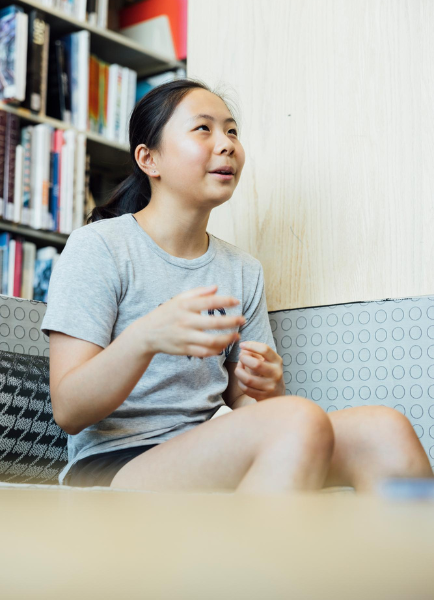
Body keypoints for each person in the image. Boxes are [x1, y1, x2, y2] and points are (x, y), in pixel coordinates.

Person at [41, 78, 433, 494]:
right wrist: (146, 337)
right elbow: (69, 408)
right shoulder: (99, 247)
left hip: (203, 449)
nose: (226, 143)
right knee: (297, 418)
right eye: (203, 128)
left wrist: (268, 387)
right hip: (113, 465)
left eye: (231, 131)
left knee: (383, 430)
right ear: (149, 159)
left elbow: (246, 403)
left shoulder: (243, 269)